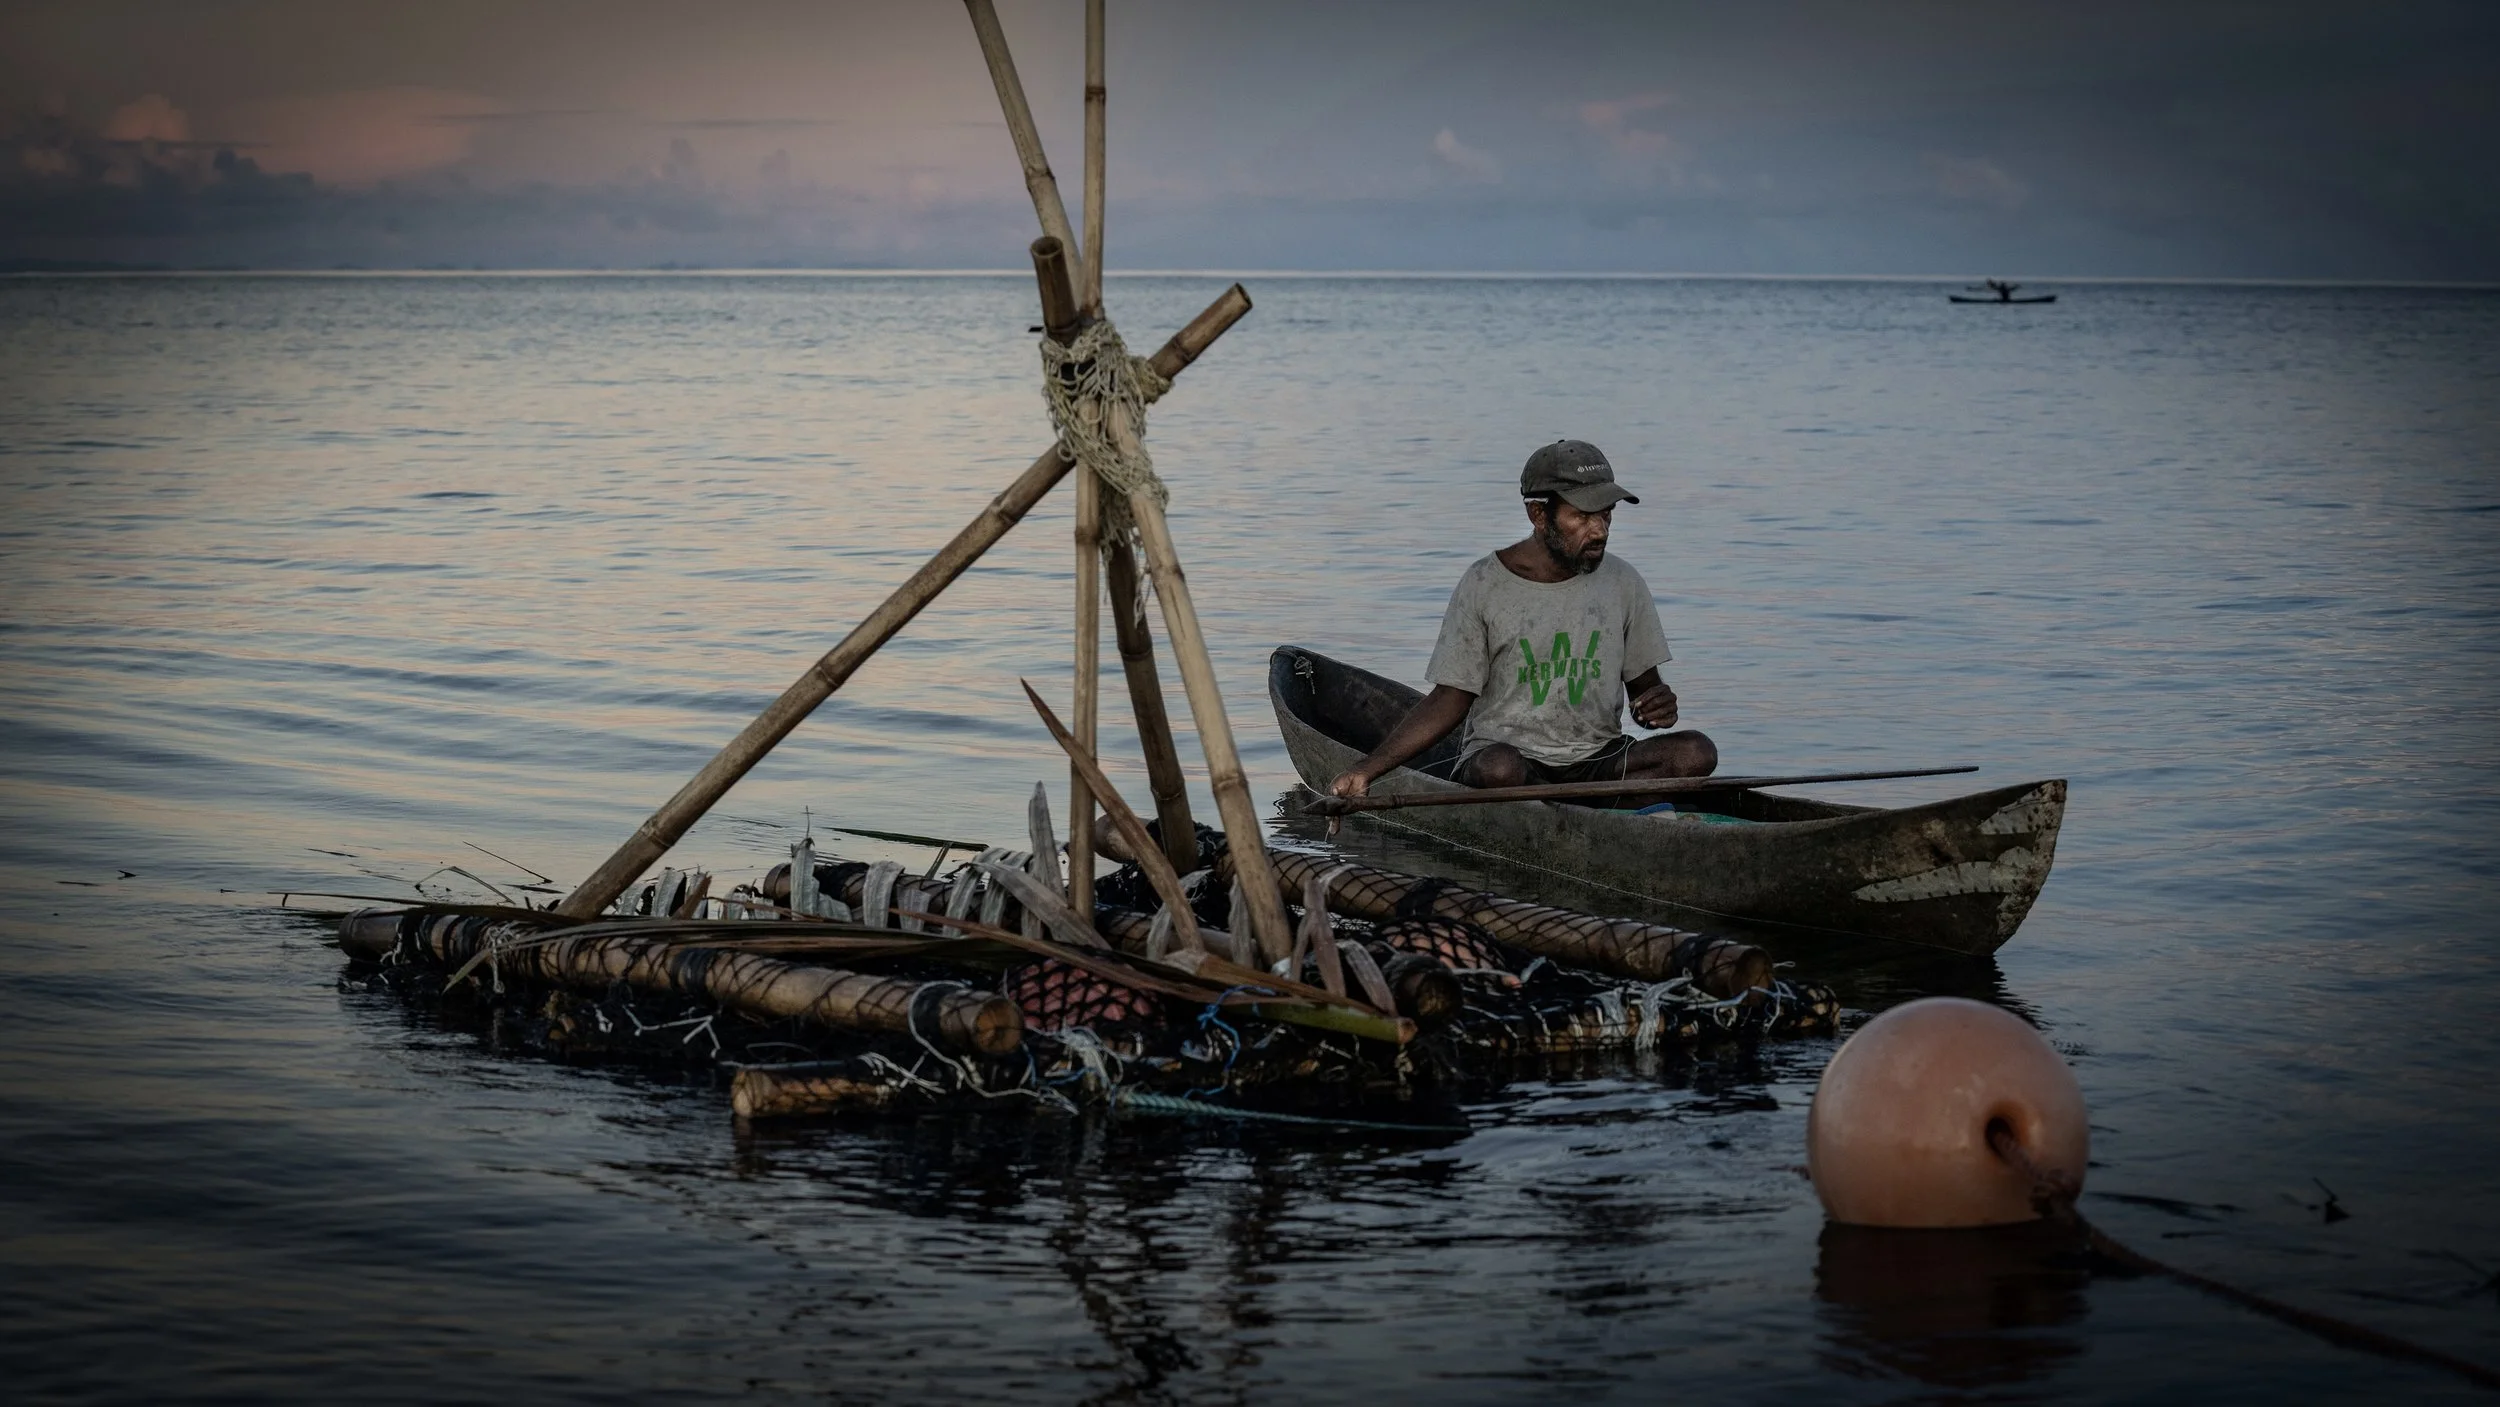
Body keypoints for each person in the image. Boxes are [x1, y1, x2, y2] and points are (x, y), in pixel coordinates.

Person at [1328, 440, 1717, 804]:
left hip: (1599, 760)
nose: (1599, 530)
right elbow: (1450, 699)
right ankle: (1579, 806)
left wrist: (1656, 709)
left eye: (1605, 514)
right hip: (1511, 765)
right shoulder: (1485, 584)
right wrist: (1367, 770)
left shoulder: (1623, 582)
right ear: (1538, 514)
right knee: (1499, 768)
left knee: (1695, 753)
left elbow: (1644, 692)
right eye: (1581, 516)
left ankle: (1576, 805)